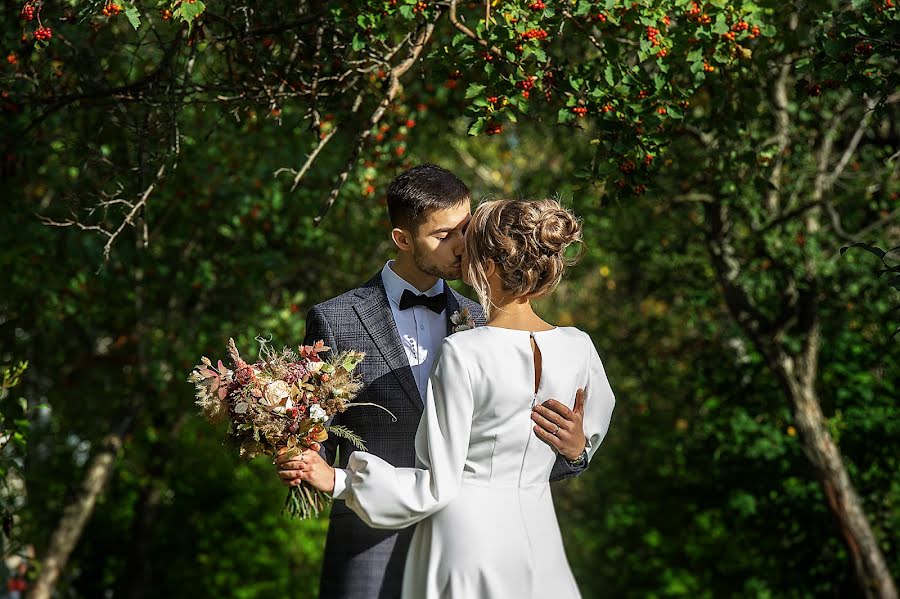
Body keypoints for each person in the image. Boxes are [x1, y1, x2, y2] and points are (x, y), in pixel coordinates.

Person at [274, 167, 590, 599]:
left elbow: (512, 449)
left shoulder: (489, 320)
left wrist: (574, 453)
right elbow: (317, 429)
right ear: (403, 239)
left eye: (465, 229)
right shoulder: (336, 318)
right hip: (369, 538)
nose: (462, 245)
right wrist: (296, 448)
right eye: (443, 235)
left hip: (471, 541)